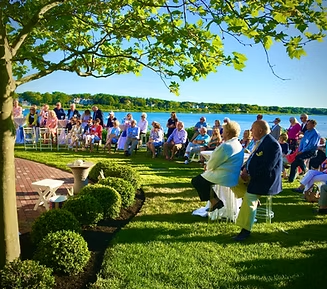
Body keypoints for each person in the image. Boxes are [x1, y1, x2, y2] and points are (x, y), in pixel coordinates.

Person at [235, 120, 282, 241]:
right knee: (232, 180)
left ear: (260, 130)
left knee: (250, 198)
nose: (251, 131)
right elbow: (251, 160)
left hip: (266, 180)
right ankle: (248, 198)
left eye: (252, 128)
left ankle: (245, 230)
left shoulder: (272, 144)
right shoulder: (261, 142)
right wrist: (244, 169)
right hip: (255, 176)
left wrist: (249, 175)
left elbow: (267, 168)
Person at [191, 121, 244, 212]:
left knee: (197, 181)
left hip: (224, 176)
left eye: (223, 131)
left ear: (227, 133)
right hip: (233, 174)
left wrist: (207, 167)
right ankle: (216, 202)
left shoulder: (226, 146)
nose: (222, 133)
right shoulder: (238, 144)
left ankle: (215, 202)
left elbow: (213, 163)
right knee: (203, 180)